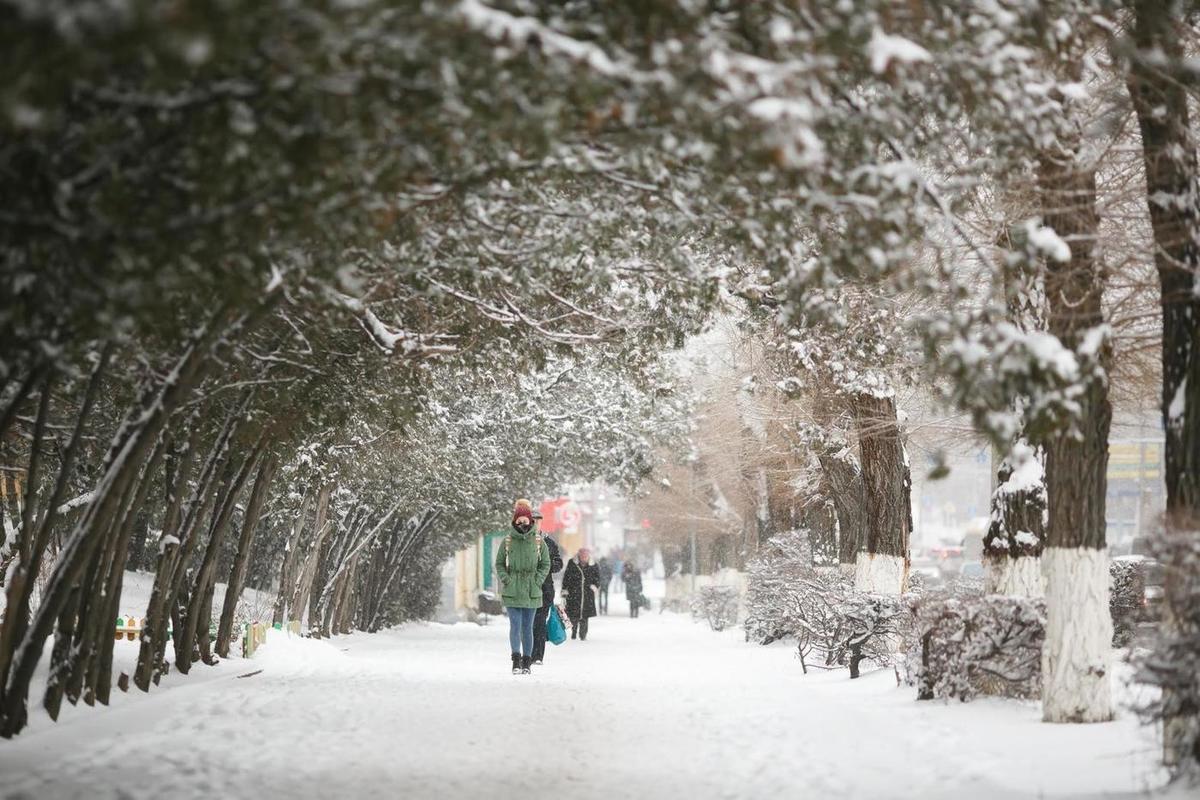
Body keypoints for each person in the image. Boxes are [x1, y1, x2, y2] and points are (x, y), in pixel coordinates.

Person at [495, 499, 551, 674]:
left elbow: (546, 564)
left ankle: (527, 661)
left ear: (530, 520)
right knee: (515, 625)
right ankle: (516, 660)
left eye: (525, 519)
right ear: (514, 520)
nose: (522, 522)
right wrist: (507, 579)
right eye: (518, 519)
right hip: (512, 590)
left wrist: (537, 580)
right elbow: (499, 564)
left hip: (531, 590)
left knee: (528, 627)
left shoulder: (538, 541)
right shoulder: (508, 541)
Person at [530, 511, 563, 666]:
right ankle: (527, 653)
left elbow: (558, 563)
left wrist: (547, 567)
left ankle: (537, 655)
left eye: (538, 521)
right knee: (528, 623)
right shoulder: (523, 542)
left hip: (545, 589)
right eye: (533, 521)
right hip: (527, 589)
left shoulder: (549, 542)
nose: (535, 524)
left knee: (539, 622)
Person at [561, 547, 600, 640]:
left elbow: (597, 578)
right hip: (574, 593)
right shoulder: (572, 563)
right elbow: (566, 577)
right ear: (579, 555)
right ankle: (574, 632)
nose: (584, 557)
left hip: (587, 594)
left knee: (585, 616)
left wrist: (594, 586)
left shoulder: (593, 565)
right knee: (574, 615)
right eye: (582, 555)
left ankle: (583, 635)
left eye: (585, 555)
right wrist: (564, 590)